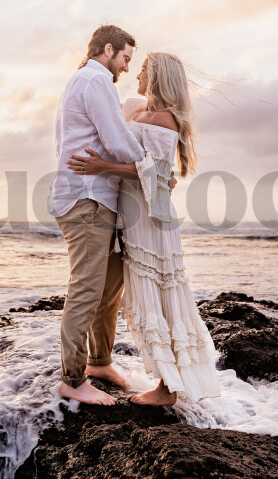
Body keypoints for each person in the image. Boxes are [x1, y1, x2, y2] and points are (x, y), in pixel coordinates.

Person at [67, 52, 222, 406]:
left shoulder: (165, 119)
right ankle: (105, 364)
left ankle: (167, 390)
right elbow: (104, 108)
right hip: (132, 214)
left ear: (158, 77)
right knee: (128, 292)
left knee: (159, 296)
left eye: (144, 69)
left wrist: (101, 167)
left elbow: (152, 174)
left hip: (150, 220)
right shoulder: (137, 107)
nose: (136, 73)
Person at [48, 25, 146, 406]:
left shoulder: (83, 80)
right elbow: (117, 140)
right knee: (87, 288)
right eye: (125, 58)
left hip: (97, 198)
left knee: (109, 287)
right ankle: (71, 379)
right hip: (86, 200)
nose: (125, 67)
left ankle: (99, 362)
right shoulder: (96, 80)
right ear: (108, 50)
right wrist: (151, 165)